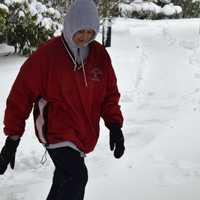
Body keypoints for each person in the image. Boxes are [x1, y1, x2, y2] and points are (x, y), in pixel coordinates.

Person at [0, 0, 125, 199]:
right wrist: (12, 139)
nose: (85, 37)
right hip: (56, 131)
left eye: (90, 31)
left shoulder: (99, 56)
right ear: (70, 26)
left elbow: (109, 94)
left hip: (83, 132)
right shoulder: (47, 56)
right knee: (77, 177)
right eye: (80, 31)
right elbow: (20, 95)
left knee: (64, 179)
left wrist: (115, 126)